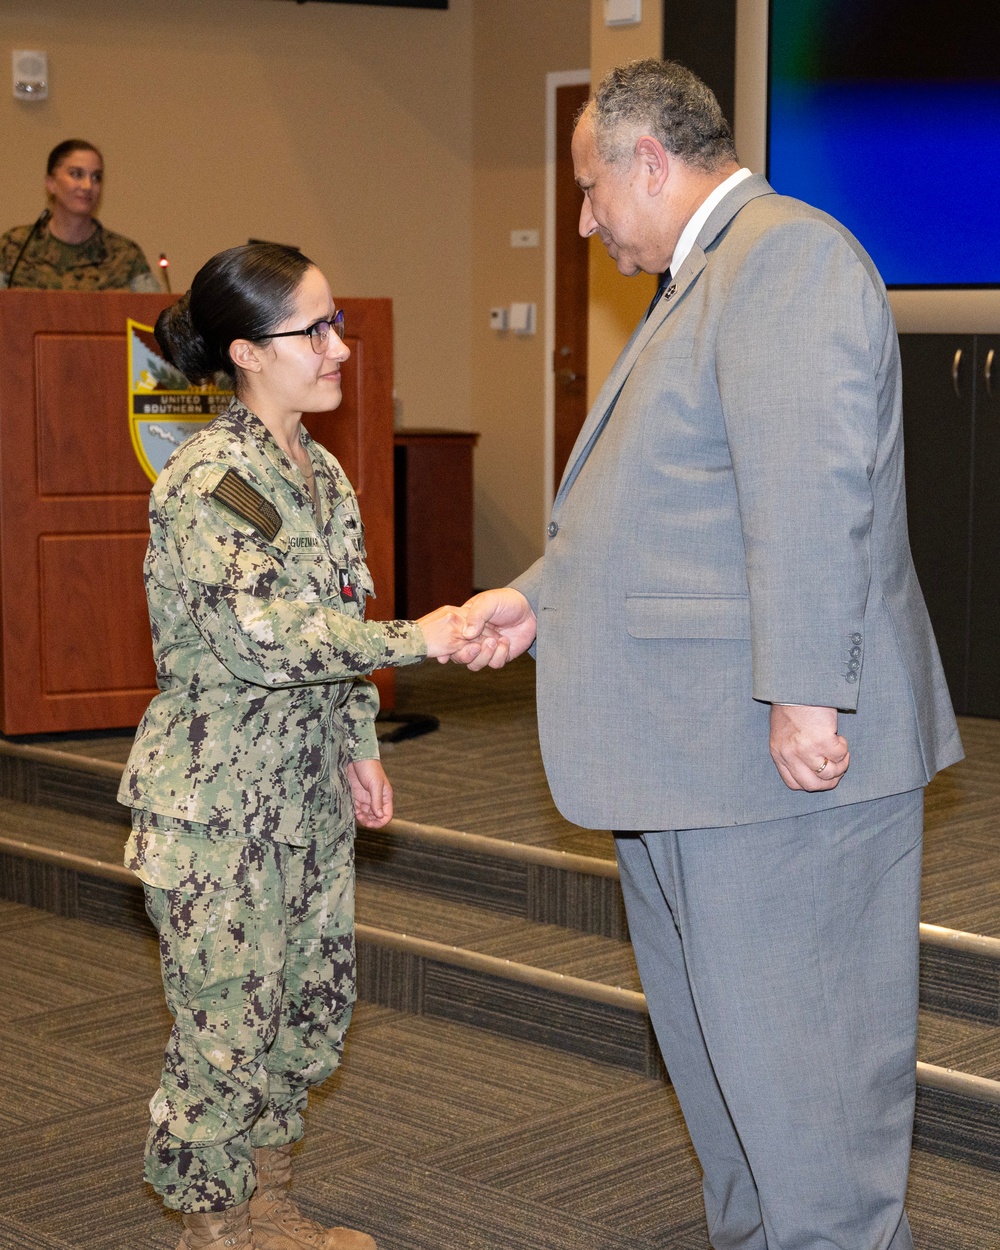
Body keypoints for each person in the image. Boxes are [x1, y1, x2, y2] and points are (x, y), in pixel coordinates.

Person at [458, 60, 962, 1250]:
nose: (583, 220)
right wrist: (534, 601)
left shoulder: (784, 258)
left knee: (808, 1088)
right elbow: (659, 510)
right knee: (731, 1084)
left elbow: (808, 496)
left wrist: (803, 697)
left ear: (647, 160)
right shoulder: (709, 276)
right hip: (687, 757)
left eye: (589, 189)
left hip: (770, 762)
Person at [118, 242, 483, 1250]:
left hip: (306, 787)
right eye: (313, 330)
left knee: (305, 1007)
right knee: (225, 1026)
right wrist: (424, 634)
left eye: (337, 325)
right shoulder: (209, 482)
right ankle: (217, 1223)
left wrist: (361, 739)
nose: (339, 348)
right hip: (218, 802)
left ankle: (269, 1197)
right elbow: (266, 634)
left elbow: (334, 610)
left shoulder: (316, 472)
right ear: (245, 350)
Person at [0, 138, 159, 290]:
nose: (88, 186)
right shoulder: (15, 247)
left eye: (96, 177)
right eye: (76, 174)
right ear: (51, 183)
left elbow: (152, 314)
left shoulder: (125, 256)